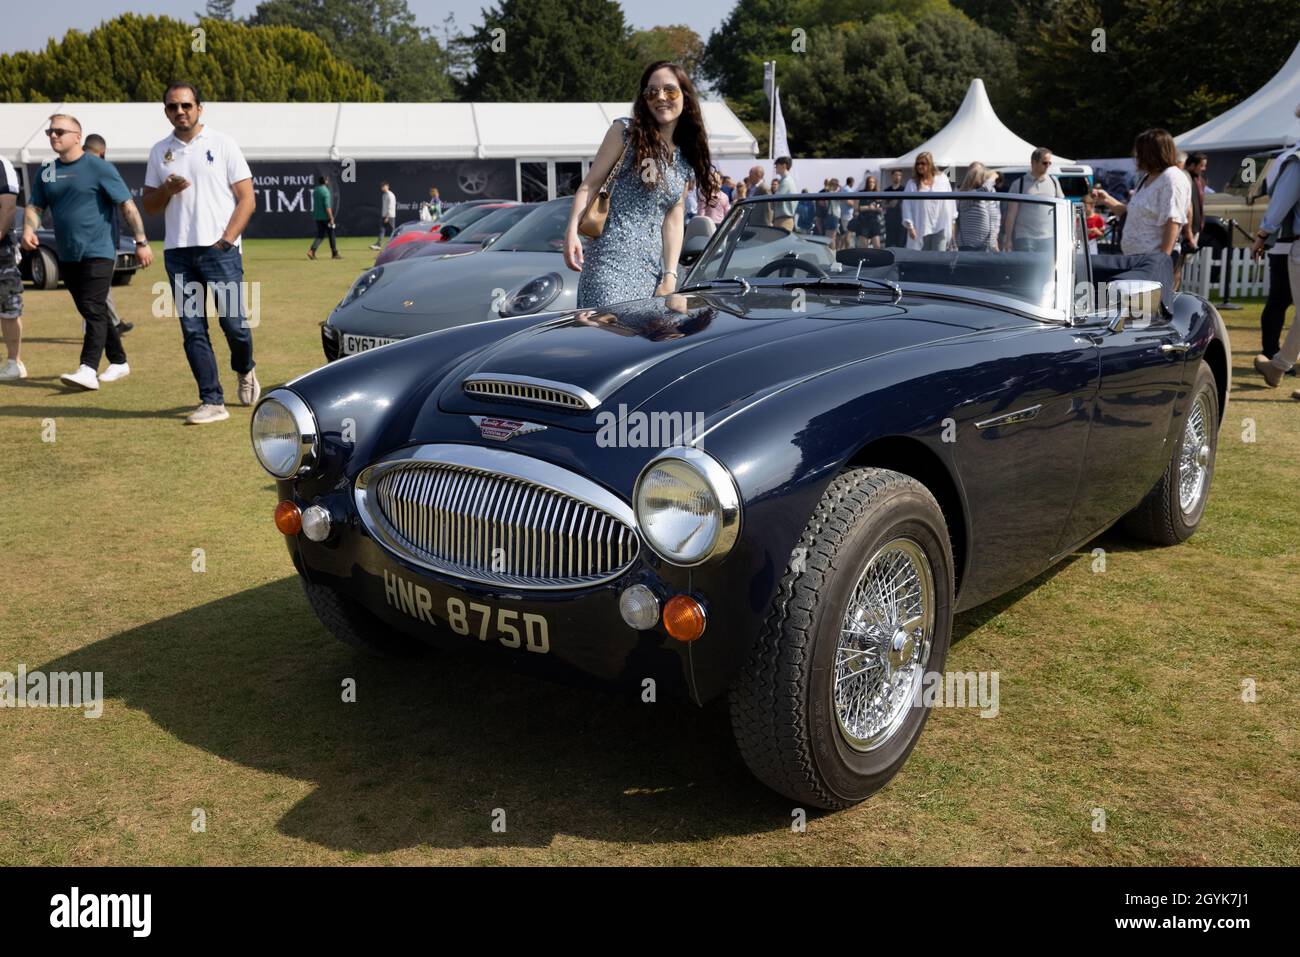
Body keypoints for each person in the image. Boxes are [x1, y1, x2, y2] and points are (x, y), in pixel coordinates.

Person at [141, 82, 257, 425]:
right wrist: (166, 189)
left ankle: (245, 368)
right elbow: (149, 205)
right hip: (179, 254)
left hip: (219, 252)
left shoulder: (223, 144)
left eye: (186, 105)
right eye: (173, 107)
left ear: (199, 108)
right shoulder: (159, 150)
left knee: (234, 324)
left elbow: (247, 198)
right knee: (193, 329)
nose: (181, 111)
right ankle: (211, 400)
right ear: (166, 112)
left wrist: (227, 239)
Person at [565, 60, 713, 309]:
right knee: (610, 340)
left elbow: (674, 218)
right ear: (644, 99)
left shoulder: (686, 154)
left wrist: (669, 276)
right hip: (609, 265)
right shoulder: (625, 131)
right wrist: (571, 232)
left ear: (685, 97)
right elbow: (589, 185)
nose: (660, 97)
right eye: (651, 92)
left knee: (642, 346)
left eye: (670, 90)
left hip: (652, 271)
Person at [22, 113, 154, 391]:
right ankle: (118, 361)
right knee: (91, 310)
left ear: (77, 136)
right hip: (67, 255)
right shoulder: (47, 171)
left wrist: (141, 242)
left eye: (59, 131)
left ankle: (87, 369)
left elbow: (127, 206)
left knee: (93, 310)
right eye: (50, 132)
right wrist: (28, 229)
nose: (53, 136)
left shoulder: (99, 168)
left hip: (99, 251)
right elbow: (35, 206)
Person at [1249, 108, 1300, 396]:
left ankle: (1278, 365)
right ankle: (1278, 365)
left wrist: (1262, 235)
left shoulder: (1296, 160)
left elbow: (1280, 202)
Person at [1092, 129, 1190, 258]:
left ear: (1151, 154)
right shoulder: (1148, 177)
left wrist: (1161, 261)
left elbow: (1173, 221)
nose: (1136, 156)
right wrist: (1107, 200)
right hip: (1135, 258)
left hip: (1152, 262)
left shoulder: (1172, 178)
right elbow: (1132, 213)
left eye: (1139, 152)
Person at [82, 133, 134, 335]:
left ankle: (112, 323)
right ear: (102, 152)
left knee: (98, 287)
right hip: (101, 241)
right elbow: (122, 203)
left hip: (87, 241)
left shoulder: (70, 168)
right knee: (96, 288)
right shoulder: (103, 170)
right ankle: (98, 328)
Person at [1002, 147, 1062, 253]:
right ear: (1034, 162)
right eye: (1044, 163)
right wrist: (1008, 239)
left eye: (1049, 163)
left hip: (1049, 237)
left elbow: (1062, 209)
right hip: (1024, 236)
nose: (1048, 166)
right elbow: (1011, 215)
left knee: (1048, 269)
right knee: (1026, 269)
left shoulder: (1054, 182)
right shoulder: (1018, 184)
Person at [0, 154, 23, 381]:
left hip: (2, 252)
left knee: (7, 307)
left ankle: (13, 362)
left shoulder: (2, 164)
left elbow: (8, 207)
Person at [902, 151, 954, 250]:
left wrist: (952, 224)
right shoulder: (912, 183)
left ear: (930, 164)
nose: (919, 166)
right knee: (922, 260)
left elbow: (951, 202)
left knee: (939, 258)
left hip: (940, 225)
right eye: (917, 163)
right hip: (920, 227)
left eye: (923, 163)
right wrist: (910, 227)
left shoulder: (942, 179)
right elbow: (906, 206)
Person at [955, 162, 999, 251]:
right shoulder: (967, 195)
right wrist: (993, 176)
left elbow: (995, 218)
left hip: (988, 247)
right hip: (970, 246)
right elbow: (984, 190)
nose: (985, 178)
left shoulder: (990, 192)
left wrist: (995, 241)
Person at [308, 174, 340, 260]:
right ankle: (334, 253)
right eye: (327, 180)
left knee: (320, 235)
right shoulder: (325, 191)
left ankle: (311, 251)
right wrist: (331, 217)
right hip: (325, 217)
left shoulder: (316, 190)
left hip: (317, 216)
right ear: (326, 181)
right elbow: (327, 206)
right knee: (331, 234)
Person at [853, 174, 884, 249]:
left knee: (877, 246)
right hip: (863, 223)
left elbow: (882, 209)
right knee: (864, 248)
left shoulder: (878, 195)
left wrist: (875, 208)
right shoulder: (861, 193)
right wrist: (868, 207)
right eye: (870, 182)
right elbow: (856, 208)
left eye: (873, 182)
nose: (871, 184)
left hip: (874, 222)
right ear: (867, 183)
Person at [772, 157, 797, 231]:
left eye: (777, 165)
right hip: (782, 218)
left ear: (784, 166)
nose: (775, 167)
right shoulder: (785, 180)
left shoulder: (786, 181)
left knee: (780, 241)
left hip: (784, 219)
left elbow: (776, 198)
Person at [883, 168, 906, 247]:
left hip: (901, 220)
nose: (898, 177)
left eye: (899, 175)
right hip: (890, 220)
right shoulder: (887, 190)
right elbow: (883, 205)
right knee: (890, 243)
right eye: (896, 175)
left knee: (901, 243)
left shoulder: (905, 190)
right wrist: (890, 204)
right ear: (892, 176)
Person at [370, 182, 396, 250]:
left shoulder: (391, 195)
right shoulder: (384, 195)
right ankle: (378, 244)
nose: (382, 188)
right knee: (382, 230)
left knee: (393, 231)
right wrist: (384, 216)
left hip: (390, 216)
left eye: (383, 186)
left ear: (387, 186)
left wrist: (387, 216)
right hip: (384, 215)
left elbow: (391, 206)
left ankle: (396, 244)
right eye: (381, 187)